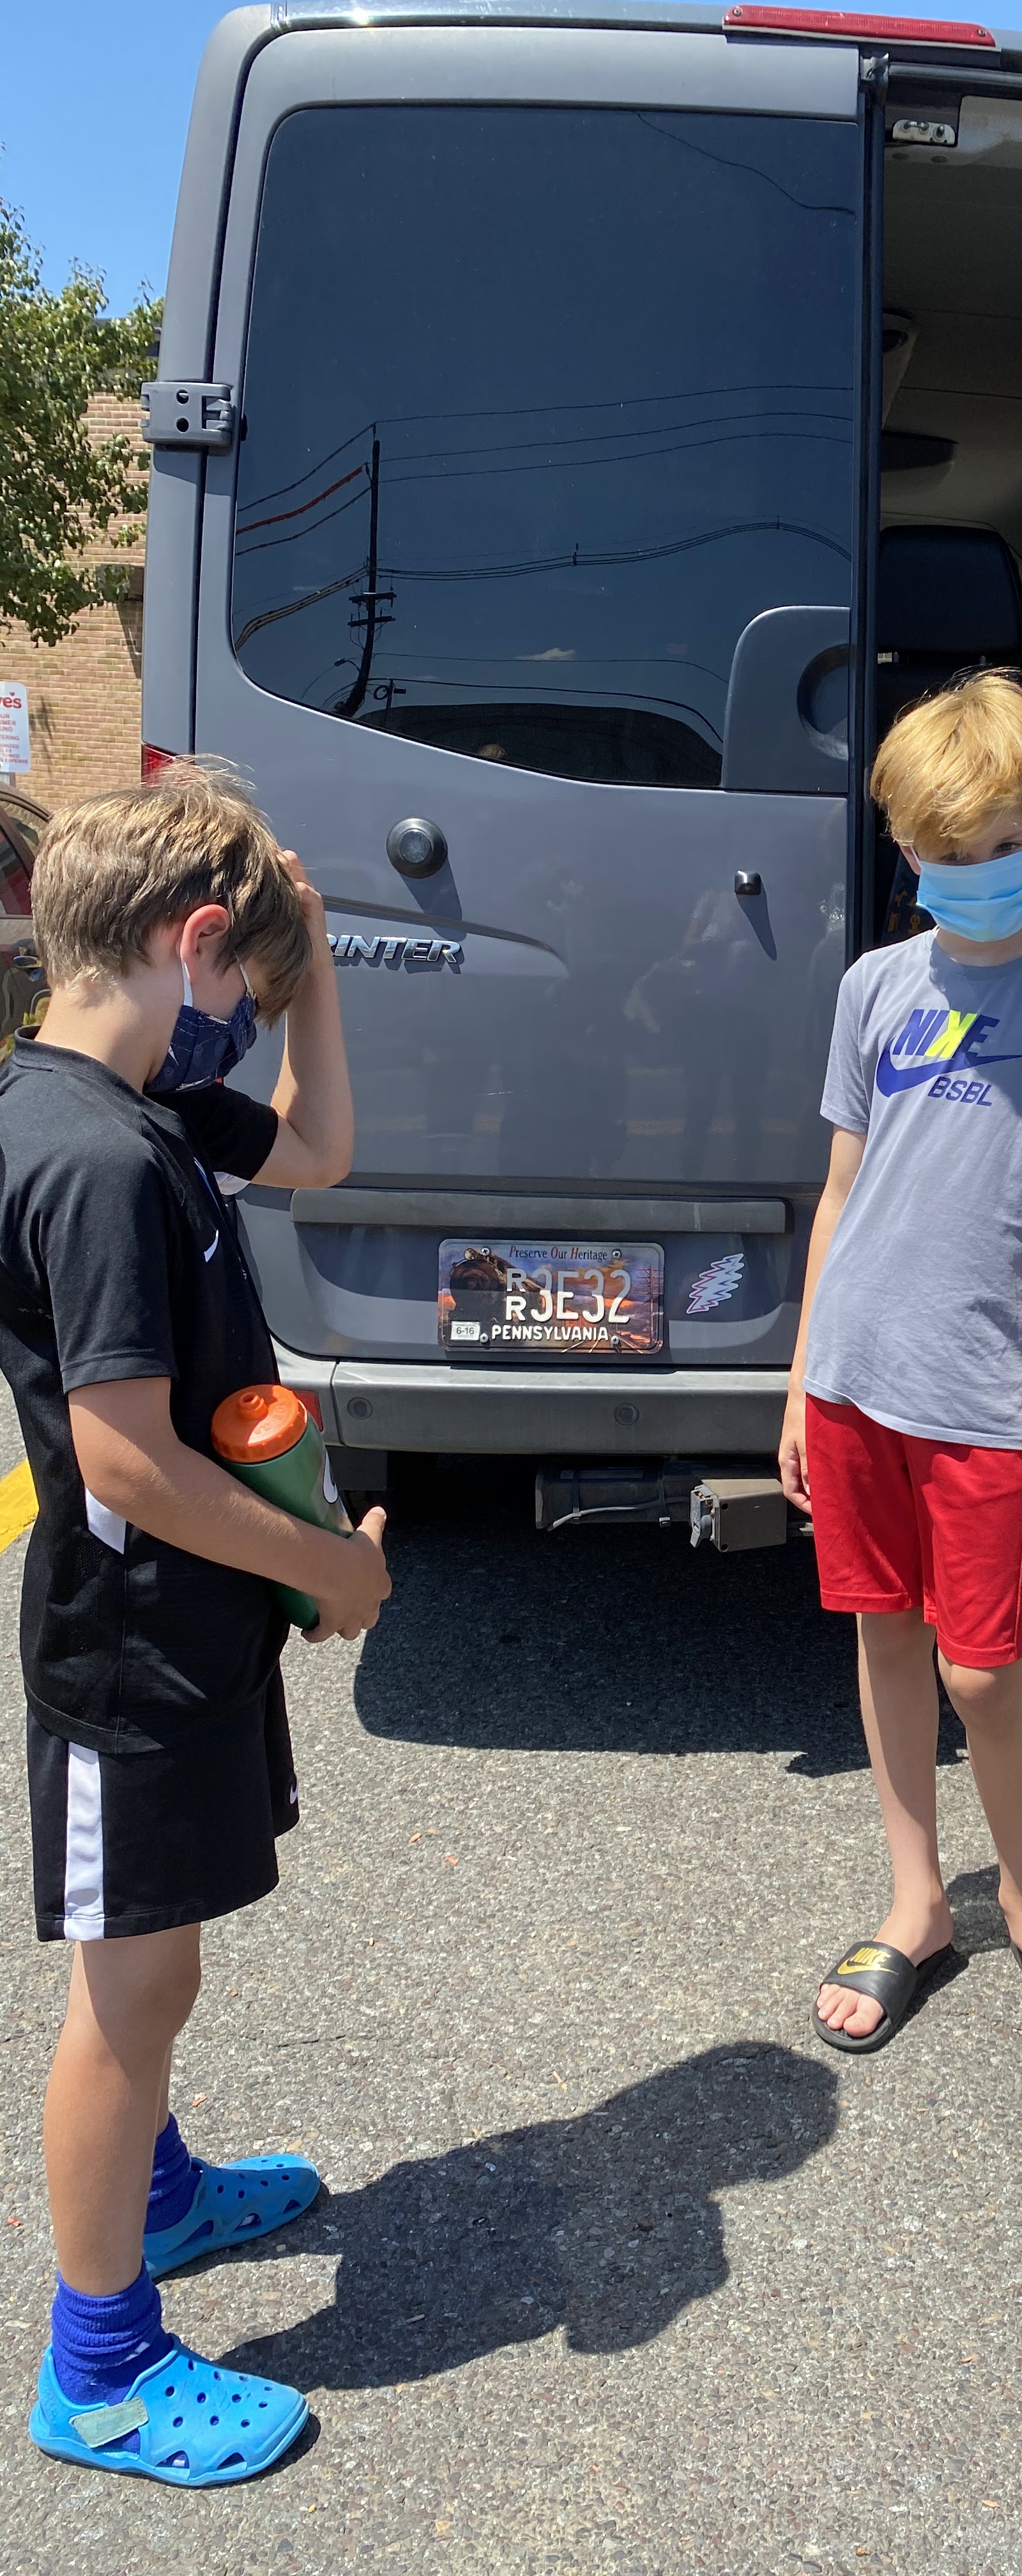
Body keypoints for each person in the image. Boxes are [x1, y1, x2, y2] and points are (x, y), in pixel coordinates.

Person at [1, 762, 391, 2485]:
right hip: (126, 1646)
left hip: (180, 1628)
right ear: (196, 938)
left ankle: (154, 2197)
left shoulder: (133, 1097)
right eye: (249, 972)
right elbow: (123, 1458)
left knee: (159, 1970)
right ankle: (97, 2371)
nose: (249, 1006)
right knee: (132, 1986)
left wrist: (315, 975)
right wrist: (328, 1569)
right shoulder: (94, 1155)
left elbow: (319, 1147)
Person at [779, 670, 1022, 2059]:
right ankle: (919, 1899)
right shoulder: (874, 986)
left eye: (997, 845)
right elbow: (840, 1195)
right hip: (855, 1379)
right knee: (882, 1632)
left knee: (983, 1669)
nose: (972, 872)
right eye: (942, 851)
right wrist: (798, 1384)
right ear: (905, 849)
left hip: (993, 1396)